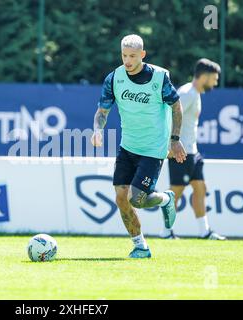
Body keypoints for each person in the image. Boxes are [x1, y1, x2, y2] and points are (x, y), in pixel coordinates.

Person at [91, 34, 186, 259]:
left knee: (137, 199)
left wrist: (175, 139)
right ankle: (140, 246)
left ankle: (165, 199)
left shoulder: (159, 78)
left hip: (153, 149)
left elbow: (176, 107)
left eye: (133, 56)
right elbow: (102, 112)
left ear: (142, 55)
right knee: (121, 198)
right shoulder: (114, 78)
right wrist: (97, 129)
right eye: (124, 55)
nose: (127, 61)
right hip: (127, 147)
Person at [160, 58, 226, 240]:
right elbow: (170, 117)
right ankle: (166, 232)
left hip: (192, 152)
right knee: (176, 193)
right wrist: (171, 146)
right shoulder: (187, 93)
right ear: (204, 76)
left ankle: (204, 231)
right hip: (181, 153)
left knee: (200, 188)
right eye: (214, 78)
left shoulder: (195, 93)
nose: (215, 82)